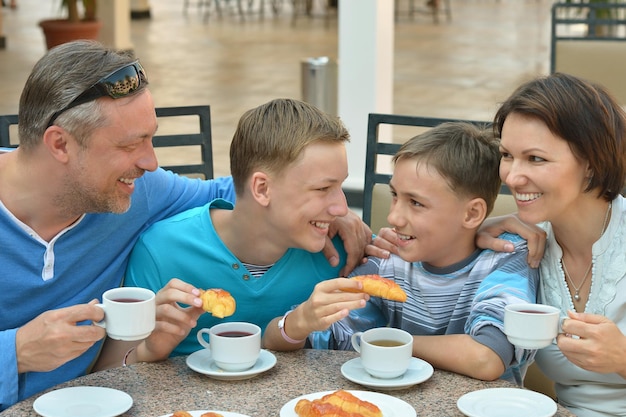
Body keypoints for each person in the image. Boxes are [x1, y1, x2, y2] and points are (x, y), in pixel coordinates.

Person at [0, 41, 370, 411]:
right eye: (131, 144)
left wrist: (327, 207)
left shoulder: (139, 190)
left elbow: (237, 190)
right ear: (60, 144)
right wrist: (17, 351)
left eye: (151, 137)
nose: (150, 161)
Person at [268, 122, 540, 385]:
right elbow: (292, 339)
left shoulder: (507, 259)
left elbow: (487, 357)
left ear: (472, 213)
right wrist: (300, 321)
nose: (394, 216)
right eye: (395, 195)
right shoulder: (388, 263)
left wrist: (387, 342)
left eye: (416, 203)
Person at [115, 98, 382, 364]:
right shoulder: (161, 252)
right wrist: (149, 351)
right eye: (323, 189)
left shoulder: (346, 250)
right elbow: (112, 375)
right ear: (262, 189)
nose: (341, 208)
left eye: (340, 187)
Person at [495, 72, 626, 417]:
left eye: (536, 158)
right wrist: (472, 232)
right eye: (507, 155)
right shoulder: (523, 244)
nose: (512, 176)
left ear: (591, 163)